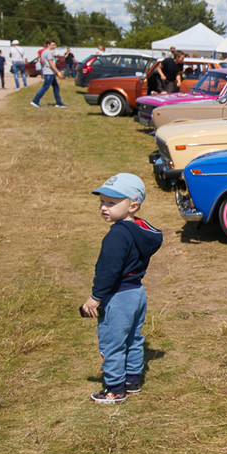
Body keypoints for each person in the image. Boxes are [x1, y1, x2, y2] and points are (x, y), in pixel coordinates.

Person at [80, 173, 163, 404]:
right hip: (137, 293)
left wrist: (96, 298)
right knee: (133, 338)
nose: (103, 208)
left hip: (118, 296)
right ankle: (132, 380)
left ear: (132, 205)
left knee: (112, 342)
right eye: (102, 202)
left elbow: (108, 271)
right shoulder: (140, 229)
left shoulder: (116, 235)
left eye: (111, 203)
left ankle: (114, 389)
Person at [31, 40, 67, 107]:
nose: (54, 46)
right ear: (48, 45)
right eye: (53, 45)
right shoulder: (48, 53)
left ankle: (58, 102)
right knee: (45, 87)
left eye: (55, 45)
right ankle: (35, 100)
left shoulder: (44, 52)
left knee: (56, 86)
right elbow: (51, 63)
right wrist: (58, 72)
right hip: (49, 72)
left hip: (49, 72)